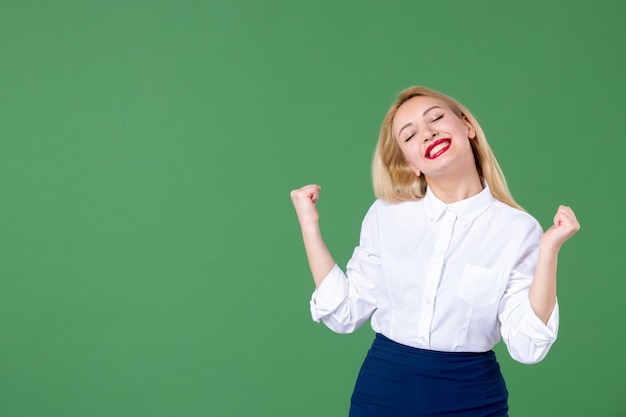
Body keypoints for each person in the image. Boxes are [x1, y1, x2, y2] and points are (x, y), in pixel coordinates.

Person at [290, 86, 580, 417]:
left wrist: (549, 251)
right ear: (410, 163)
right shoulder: (386, 215)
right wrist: (309, 225)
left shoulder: (518, 229)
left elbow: (528, 347)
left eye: (436, 118)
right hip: (384, 392)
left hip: (472, 398)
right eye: (410, 135)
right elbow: (344, 312)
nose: (427, 134)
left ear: (467, 127)